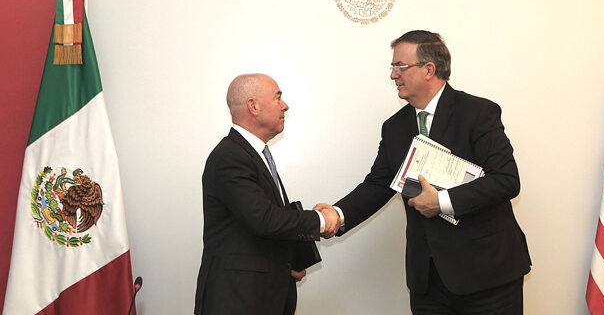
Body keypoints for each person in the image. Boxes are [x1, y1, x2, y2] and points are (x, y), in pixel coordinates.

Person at [316, 30, 531, 314]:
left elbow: (505, 180)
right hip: (428, 281)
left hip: (487, 276)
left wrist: (441, 202)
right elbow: (379, 184)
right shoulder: (394, 127)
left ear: (429, 69)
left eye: (400, 66)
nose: (393, 75)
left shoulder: (477, 113)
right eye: (393, 67)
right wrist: (337, 214)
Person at [194, 74, 338, 315]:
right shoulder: (229, 157)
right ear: (254, 106)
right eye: (278, 97)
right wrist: (321, 220)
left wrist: (290, 259)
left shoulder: (254, 154)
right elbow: (264, 219)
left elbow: (259, 226)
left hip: (261, 297)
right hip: (237, 301)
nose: (285, 105)